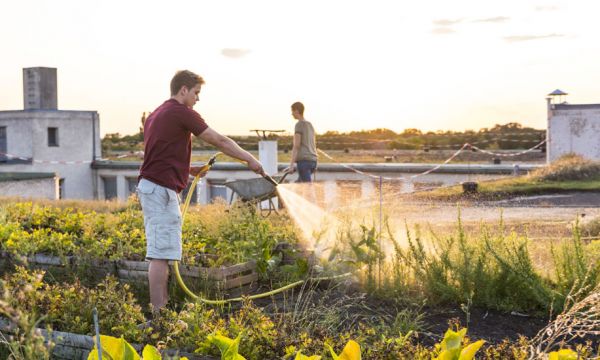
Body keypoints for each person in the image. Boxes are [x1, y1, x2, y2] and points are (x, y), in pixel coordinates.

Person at [137, 70, 264, 312]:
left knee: (161, 252)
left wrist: (189, 169)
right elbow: (220, 141)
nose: (197, 99)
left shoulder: (157, 114)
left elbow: (159, 155)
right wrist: (250, 160)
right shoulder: (182, 113)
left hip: (155, 187)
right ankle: (159, 315)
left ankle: (161, 312)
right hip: (159, 191)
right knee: (160, 254)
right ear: (183, 90)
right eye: (196, 93)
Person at [287, 101, 318, 182]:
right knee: (299, 186)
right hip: (313, 161)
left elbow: (296, 145)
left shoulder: (299, 124)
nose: (292, 114)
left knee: (307, 189)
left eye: (292, 111)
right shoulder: (310, 125)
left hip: (304, 162)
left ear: (296, 111)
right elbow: (313, 144)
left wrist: (291, 165)